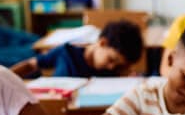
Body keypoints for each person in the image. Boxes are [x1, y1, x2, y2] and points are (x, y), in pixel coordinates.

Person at [11, 19, 144, 78]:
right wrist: (4, 76)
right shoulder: (66, 53)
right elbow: (31, 64)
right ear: (102, 43)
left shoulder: (112, 73)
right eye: (111, 59)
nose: (111, 67)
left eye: (116, 65)